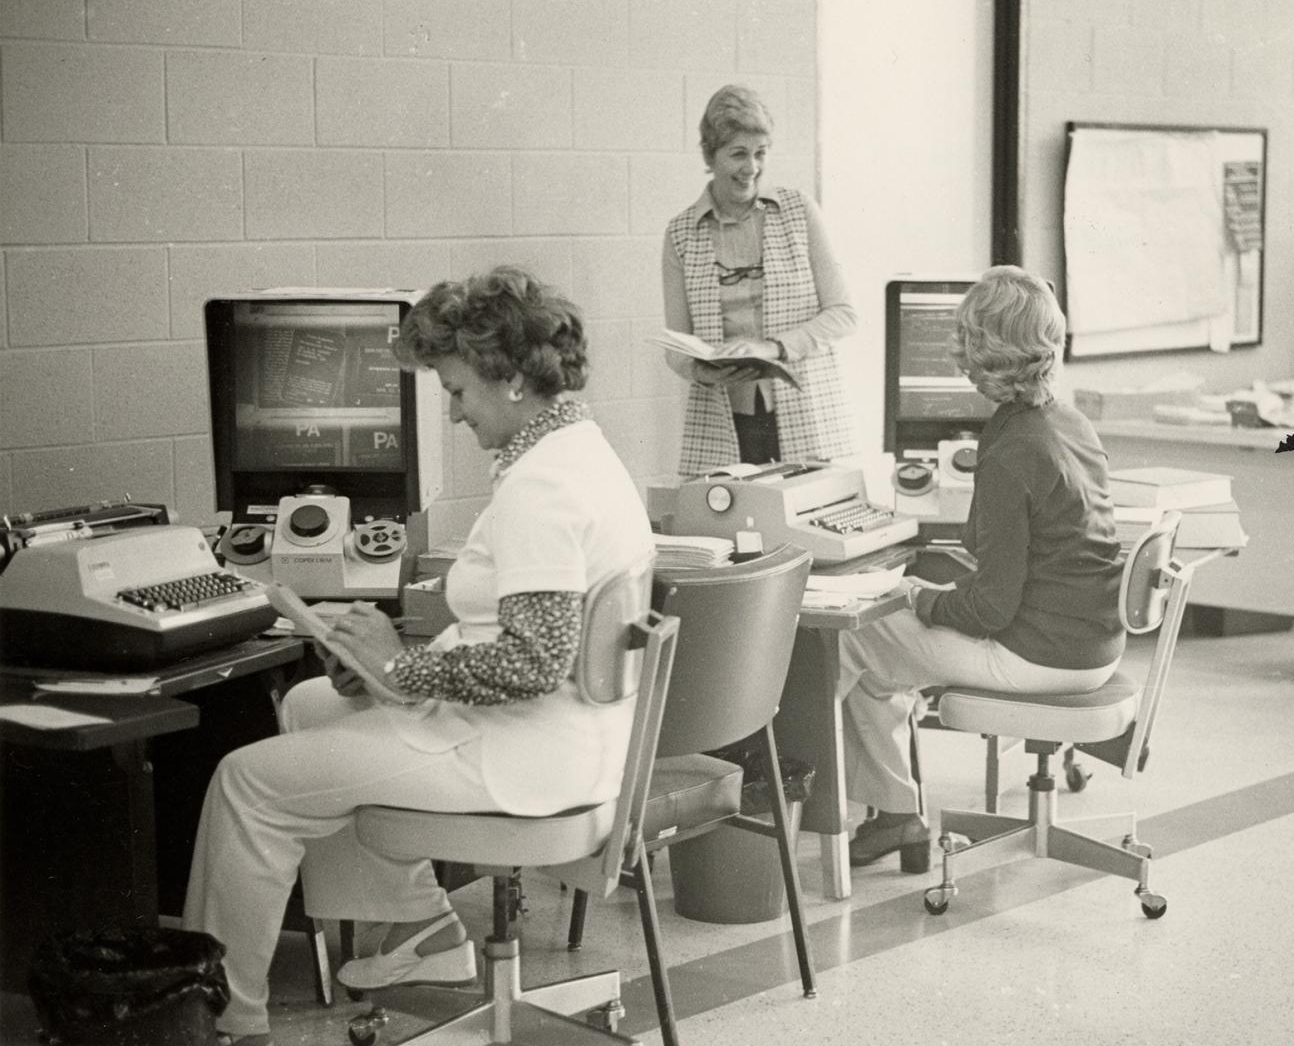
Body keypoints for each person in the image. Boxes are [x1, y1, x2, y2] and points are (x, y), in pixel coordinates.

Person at [182, 267, 653, 1046]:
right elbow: (521, 643)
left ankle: (220, 1017)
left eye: (457, 391)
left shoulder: (544, 487)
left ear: (507, 380)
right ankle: (421, 929)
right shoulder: (581, 449)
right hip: (565, 740)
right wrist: (376, 663)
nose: (455, 412)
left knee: (245, 782)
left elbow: (533, 662)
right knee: (310, 705)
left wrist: (399, 670)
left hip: (520, 753)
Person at [837, 266, 1126, 872]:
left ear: (991, 352)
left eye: (967, 340)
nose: (958, 355)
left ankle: (879, 811)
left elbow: (991, 610)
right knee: (887, 646)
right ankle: (893, 815)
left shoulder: (1012, 451)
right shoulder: (1069, 423)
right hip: (1096, 648)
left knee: (854, 637)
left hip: (1038, 660)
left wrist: (922, 599)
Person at [663, 83, 857, 473]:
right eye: (738, 154)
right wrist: (697, 368)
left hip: (805, 415)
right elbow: (676, 346)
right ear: (710, 155)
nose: (751, 167)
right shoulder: (681, 233)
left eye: (760, 153)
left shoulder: (799, 211)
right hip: (724, 421)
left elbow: (843, 315)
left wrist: (774, 347)